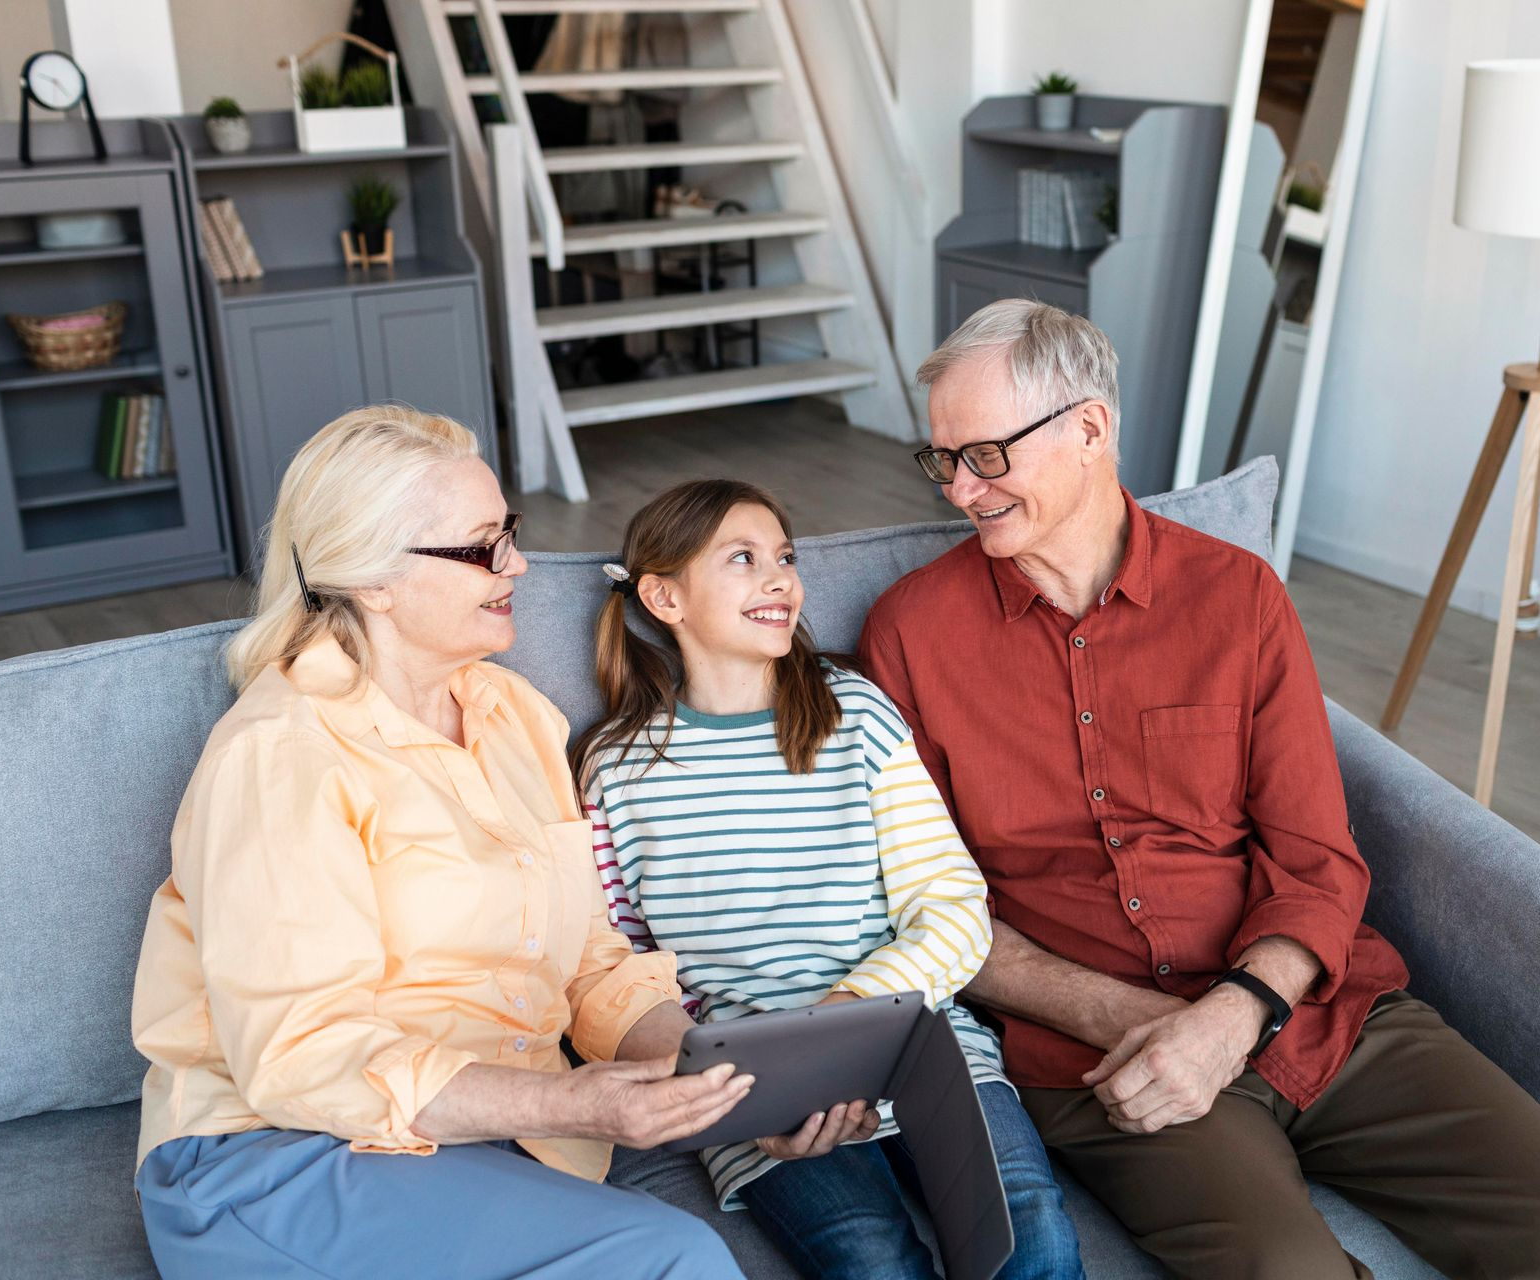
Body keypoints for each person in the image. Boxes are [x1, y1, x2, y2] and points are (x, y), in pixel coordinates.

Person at [858, 298, 1540, 1279]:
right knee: (1281, 1269)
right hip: (1095, 1057)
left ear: (1087, 427)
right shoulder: (909, 636)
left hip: (1322, 1012)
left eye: (984, 455)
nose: (960, 489)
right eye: (942, 459)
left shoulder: (1236, 596)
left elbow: (1313, 852)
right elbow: (930, 910)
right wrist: (1131, 1021)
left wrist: (1229, 1015)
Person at [129, 406, 751, 1280]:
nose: (519, 565)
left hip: (476, 1145)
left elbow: (588, 963)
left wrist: (724, 1081)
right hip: (279, 1156)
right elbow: (303, 1056)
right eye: (480, 547)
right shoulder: (282, 755)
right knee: (670, 1257)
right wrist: (568, 1102)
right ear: (372, 579)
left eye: (511, 533)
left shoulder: (516, 717)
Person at [570, 478, 1085, 1280]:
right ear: (663, 596)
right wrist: (749, 1091)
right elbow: (618, 962)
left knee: (1032, 1241)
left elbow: (951, 907)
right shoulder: (617, 766)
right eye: (743, 559)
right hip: (751, 1094)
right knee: (870, 1263)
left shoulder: (857, 717)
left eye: (784, 556)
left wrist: (845, 1017)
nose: (779, 578)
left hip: (917, 1047)